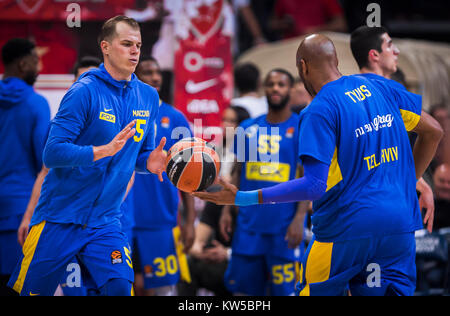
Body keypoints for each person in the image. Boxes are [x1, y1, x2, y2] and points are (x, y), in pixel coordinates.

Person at [193, 34, 443, 296]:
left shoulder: (319, 108)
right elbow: (434, 132)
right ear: (336, 60)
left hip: (347, 227)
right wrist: (408, 182)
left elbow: (314, 186)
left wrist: (242, 198)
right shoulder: (381, 87)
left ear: (302, 67)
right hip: (399, 226)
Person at [8, 15, 167, 296]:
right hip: (58, 218)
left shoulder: (148, 97)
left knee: (119, 287)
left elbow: (141, 155)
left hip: (105, 221)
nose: (134, 51)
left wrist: (149, 163)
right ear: (105, 47)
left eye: (138, 45)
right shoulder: (83, 91)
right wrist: (101, 151)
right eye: (126, 44)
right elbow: (52, 153)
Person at [217, 68, 308, 296]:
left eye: (281, 84)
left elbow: (307, 179)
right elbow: (237, 172)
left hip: (285, 230)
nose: (275, 88)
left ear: (289, 89)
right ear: (263, 89)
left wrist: (299, 219)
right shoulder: (247, 127)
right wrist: (227, 211)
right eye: (271, 84)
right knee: (244, 295)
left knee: (287, 293)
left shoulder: (301, 127)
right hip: (249, 228)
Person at [350, 25, 436, 233]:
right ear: (374, 55)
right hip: (386, 211)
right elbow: (435, 131)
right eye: (390, 45)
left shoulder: (345, 93)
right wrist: (412, 179)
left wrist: (417, 180)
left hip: (355, 213)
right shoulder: (391, 92)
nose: (396, 51)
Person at [128, 55, 196, 296]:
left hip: (160, 220)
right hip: (122, 218)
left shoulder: (176, 118)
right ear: (134, 77)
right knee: (125, 286)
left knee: (159, 291)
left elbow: (189, 174)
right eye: (148, 72)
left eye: (158, 72)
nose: (156, 77)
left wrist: (189, 221)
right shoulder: (123, 112)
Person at [177, 105, 249, 296]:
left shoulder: (259, 197)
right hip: (217, 250)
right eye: (224, 119)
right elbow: (197, 243)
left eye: (231, 121)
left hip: (244, 259)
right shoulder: (215, 155)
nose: (225, 125)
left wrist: (227, 253)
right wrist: (199, 251)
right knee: (188, 265)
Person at [0, 38, 50, 296]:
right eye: (35, 61)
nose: (39, 67)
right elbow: (46, 163)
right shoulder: (35, 103)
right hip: (20, 212)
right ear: (22, 64)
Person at [270, 0, 347, 39]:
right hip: (290, 48)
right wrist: (283, 24)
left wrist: (316, 30)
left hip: (319, 46)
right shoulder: (283, 1)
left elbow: (341, 24)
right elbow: (272, 24)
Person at [432, 164, 450, 230]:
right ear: (434, 180)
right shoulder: (420, 203)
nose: (446, 186)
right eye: (442, 181)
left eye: (449, 182)